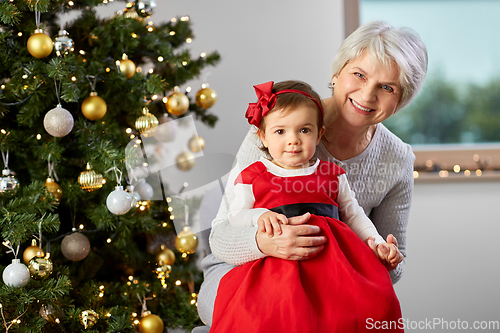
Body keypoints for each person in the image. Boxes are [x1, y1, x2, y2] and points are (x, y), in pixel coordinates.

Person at [193, 20, 428, 332]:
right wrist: (265, 242)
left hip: (331, 277)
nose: (368, 95)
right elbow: (222, 236)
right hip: (245, 265)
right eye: (359, 74)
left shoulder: (396, 160)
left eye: (387, 87)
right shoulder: (279, 127)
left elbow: (392, 269)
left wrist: (382, 254)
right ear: (336, 74)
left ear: (402, 99)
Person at [208, 80, 404, 332]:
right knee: (274, 312)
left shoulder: (333, 174)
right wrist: (259, 217)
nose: (293, 141)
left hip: (333, 266)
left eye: (304, 130)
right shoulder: (254, 174)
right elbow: (235, 216)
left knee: (369, 305)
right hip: (278, 262)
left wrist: (377, 243)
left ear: (319, 133)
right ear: (262, 136)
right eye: (280, 132)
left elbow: (354, 216)